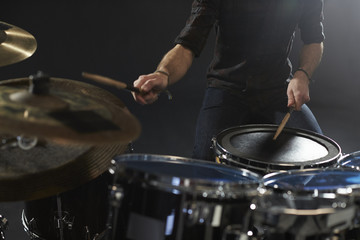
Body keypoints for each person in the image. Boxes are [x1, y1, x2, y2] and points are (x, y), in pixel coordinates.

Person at [132, 0, 325, 161]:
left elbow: (314, 39)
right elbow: (188, 43)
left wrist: (302, 75)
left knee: (320, 157)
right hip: (226, 88)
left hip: (279, 89)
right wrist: (163, 73)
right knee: (205, 163)